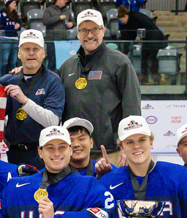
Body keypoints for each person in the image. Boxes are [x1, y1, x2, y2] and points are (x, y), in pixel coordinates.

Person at [59, 9, 141, 165]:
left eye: (94, 29)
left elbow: (132, 107)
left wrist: (128, 145)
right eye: (84, 30)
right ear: (78, 33)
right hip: (74, 154)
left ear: (103, 31)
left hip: (111, 153)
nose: (89, 35)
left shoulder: (120, 62)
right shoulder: (67, 66)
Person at [0, 29, 64, 169]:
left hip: (42, 154)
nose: (31, 53)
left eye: (36, 48)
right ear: (19, 53)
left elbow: (53, 121)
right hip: (13, 154)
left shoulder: (53, 81)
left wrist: (25, 101)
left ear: (44, 52)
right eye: (26, 49)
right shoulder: (7, 81)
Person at [117, 5, 167, 83]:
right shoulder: (130, 21)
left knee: (153, 57)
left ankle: (154, 76)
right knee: (144, 57)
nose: (122, 22)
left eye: (122, 20)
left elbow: (147, 25)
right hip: (147, 40)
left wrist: (139, 35)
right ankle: (144, 76)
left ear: (126, 16)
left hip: (154, 38)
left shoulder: (136, 16)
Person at [42, 0, 74, 69]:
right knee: (52, 61)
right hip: (52, 41)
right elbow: (45, 21)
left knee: (64, 61)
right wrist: (59, 17)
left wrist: (72, 24)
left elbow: (73, 21)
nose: (65, 1)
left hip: (64, 40)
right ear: (58, 0)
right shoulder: (48, 10)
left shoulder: (67, 11)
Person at [0, 0, 21, 74]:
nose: (15, 4)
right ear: (8, 3)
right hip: (5, 38)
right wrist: (13, 27)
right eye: (13, 3)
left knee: (13, 62)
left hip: (14, 38)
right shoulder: (1, 14)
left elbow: (19, 25)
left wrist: (17, 26)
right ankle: (1, 78)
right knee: (4, 62)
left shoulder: (15, 14)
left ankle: (11, 78)